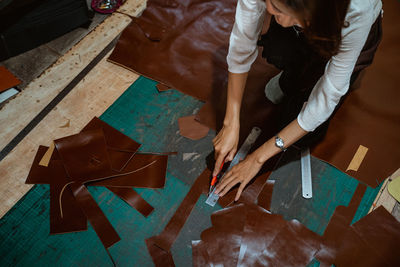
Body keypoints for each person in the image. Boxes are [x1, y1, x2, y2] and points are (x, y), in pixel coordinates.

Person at [214, 0, 383, 200]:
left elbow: (327, 96)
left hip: (336, 29)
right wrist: (230, 122)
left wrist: (257, 159)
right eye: (270, 3)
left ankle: (308, 76)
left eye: (277, 9)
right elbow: (242, 43)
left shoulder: (356, 11)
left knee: (306, 132)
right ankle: (292, 78)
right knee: (278, 49)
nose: (268, 9)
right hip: (306, 22)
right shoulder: (278, 7)